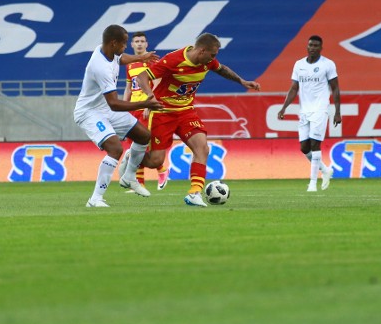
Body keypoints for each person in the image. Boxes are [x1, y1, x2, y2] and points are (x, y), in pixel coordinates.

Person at [134, 33, 261, 207]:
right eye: (212, 55)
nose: (214, 59)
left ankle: (194, 193)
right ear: (201, 51)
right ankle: (132, 157)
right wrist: (149, 96)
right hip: (163, 112)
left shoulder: (207, 61)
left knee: (202, 147)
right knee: (155, 161)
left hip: (186, 112)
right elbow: (141, 76)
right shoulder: (173, 60)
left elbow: (221, 68)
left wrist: (242, 81)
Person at [73, 24, 164, 208]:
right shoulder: (100, 68)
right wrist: (145, 103)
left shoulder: (105, 50)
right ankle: (95, 199)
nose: (125, 47)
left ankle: (129, 176)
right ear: (113, 43)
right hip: (89, 112)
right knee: (115, 149)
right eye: (123, 44)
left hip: (104, 108)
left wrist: (141, 57)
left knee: (143, 135)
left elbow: (121, 58)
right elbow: (114, 103)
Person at [277, 35, 342, 192]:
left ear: (321, 48)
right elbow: (294, 88)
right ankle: (325, 170)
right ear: (307, 47)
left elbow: (335, 88)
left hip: (320, 108)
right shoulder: (299, 65)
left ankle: (313, 183)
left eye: (316, 45)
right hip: (304, 110)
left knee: (315, 144)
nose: (312, 47)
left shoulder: (328, 64)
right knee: (304, 147)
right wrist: (284, 107)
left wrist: (337, 112)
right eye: (310, 45)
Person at [120, 31, 170, 192]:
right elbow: (129, 88)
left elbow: (156, 85)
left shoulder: (151, 62)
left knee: (142, 146)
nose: (140, 44)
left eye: (142, 41)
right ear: (132, 45)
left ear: (147, 44)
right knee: (134, 147)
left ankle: (161, 169)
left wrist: (150, 104)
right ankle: (138, 183)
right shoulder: (130, 64)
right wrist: (122, 107)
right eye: (137, 41)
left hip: (145, 108)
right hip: (133, 109)